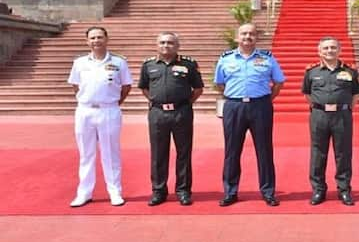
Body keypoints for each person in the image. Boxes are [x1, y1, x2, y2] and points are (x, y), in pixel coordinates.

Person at [214, 23, 285, 207]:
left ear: (257, 37)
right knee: (232, 151)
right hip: (234, 106)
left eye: (251, 34)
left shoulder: (267, 58)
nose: (247, 37)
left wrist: (267, 99)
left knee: (264, 150)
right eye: (244, 34)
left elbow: (278, 82)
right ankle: (230, 192)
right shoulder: (226, 58)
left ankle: (268, 191)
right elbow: (220, 84)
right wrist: (234, 96)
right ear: (238, 37)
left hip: (260, 106)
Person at [68, 26, 132, 207]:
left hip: (109, 110)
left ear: (106, 39)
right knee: (86, 154)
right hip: (85, 111)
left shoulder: (119, 62)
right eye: (92, 38)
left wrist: (112, 102)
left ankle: (115, 192)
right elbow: (75, 85)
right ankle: (84, 192)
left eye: (99, 37)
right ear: (87, 41)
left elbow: (126, 86)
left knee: (111, 153)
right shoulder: (80, 62)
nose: (96, 41)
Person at [138, 32, 204, 206]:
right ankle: (158, 191)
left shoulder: (188, 64)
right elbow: (144, 87)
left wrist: (185, 104)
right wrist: (155, 101)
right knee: (158, 153)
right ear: (156, 45)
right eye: (162, 42)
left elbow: (197, 88)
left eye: (170, 43)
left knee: (183, 153)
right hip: (158, 114)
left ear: (177, 46)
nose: (166, 45)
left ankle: (183, 190)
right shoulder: (148, 65)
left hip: (181, 112)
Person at [302, 37, 359, 206]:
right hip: (319, 115)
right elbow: (307, 94)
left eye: (333, 47)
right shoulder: (311, 72)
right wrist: (320, 107)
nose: (330, 51)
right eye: (326, 48)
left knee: (343, 153)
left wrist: (343, 108)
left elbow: (356, 94)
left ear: (339, 50)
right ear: (319, 51)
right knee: (318, 153)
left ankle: (344, 190)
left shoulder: (350, 71)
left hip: (342, 116)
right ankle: (318, 190)